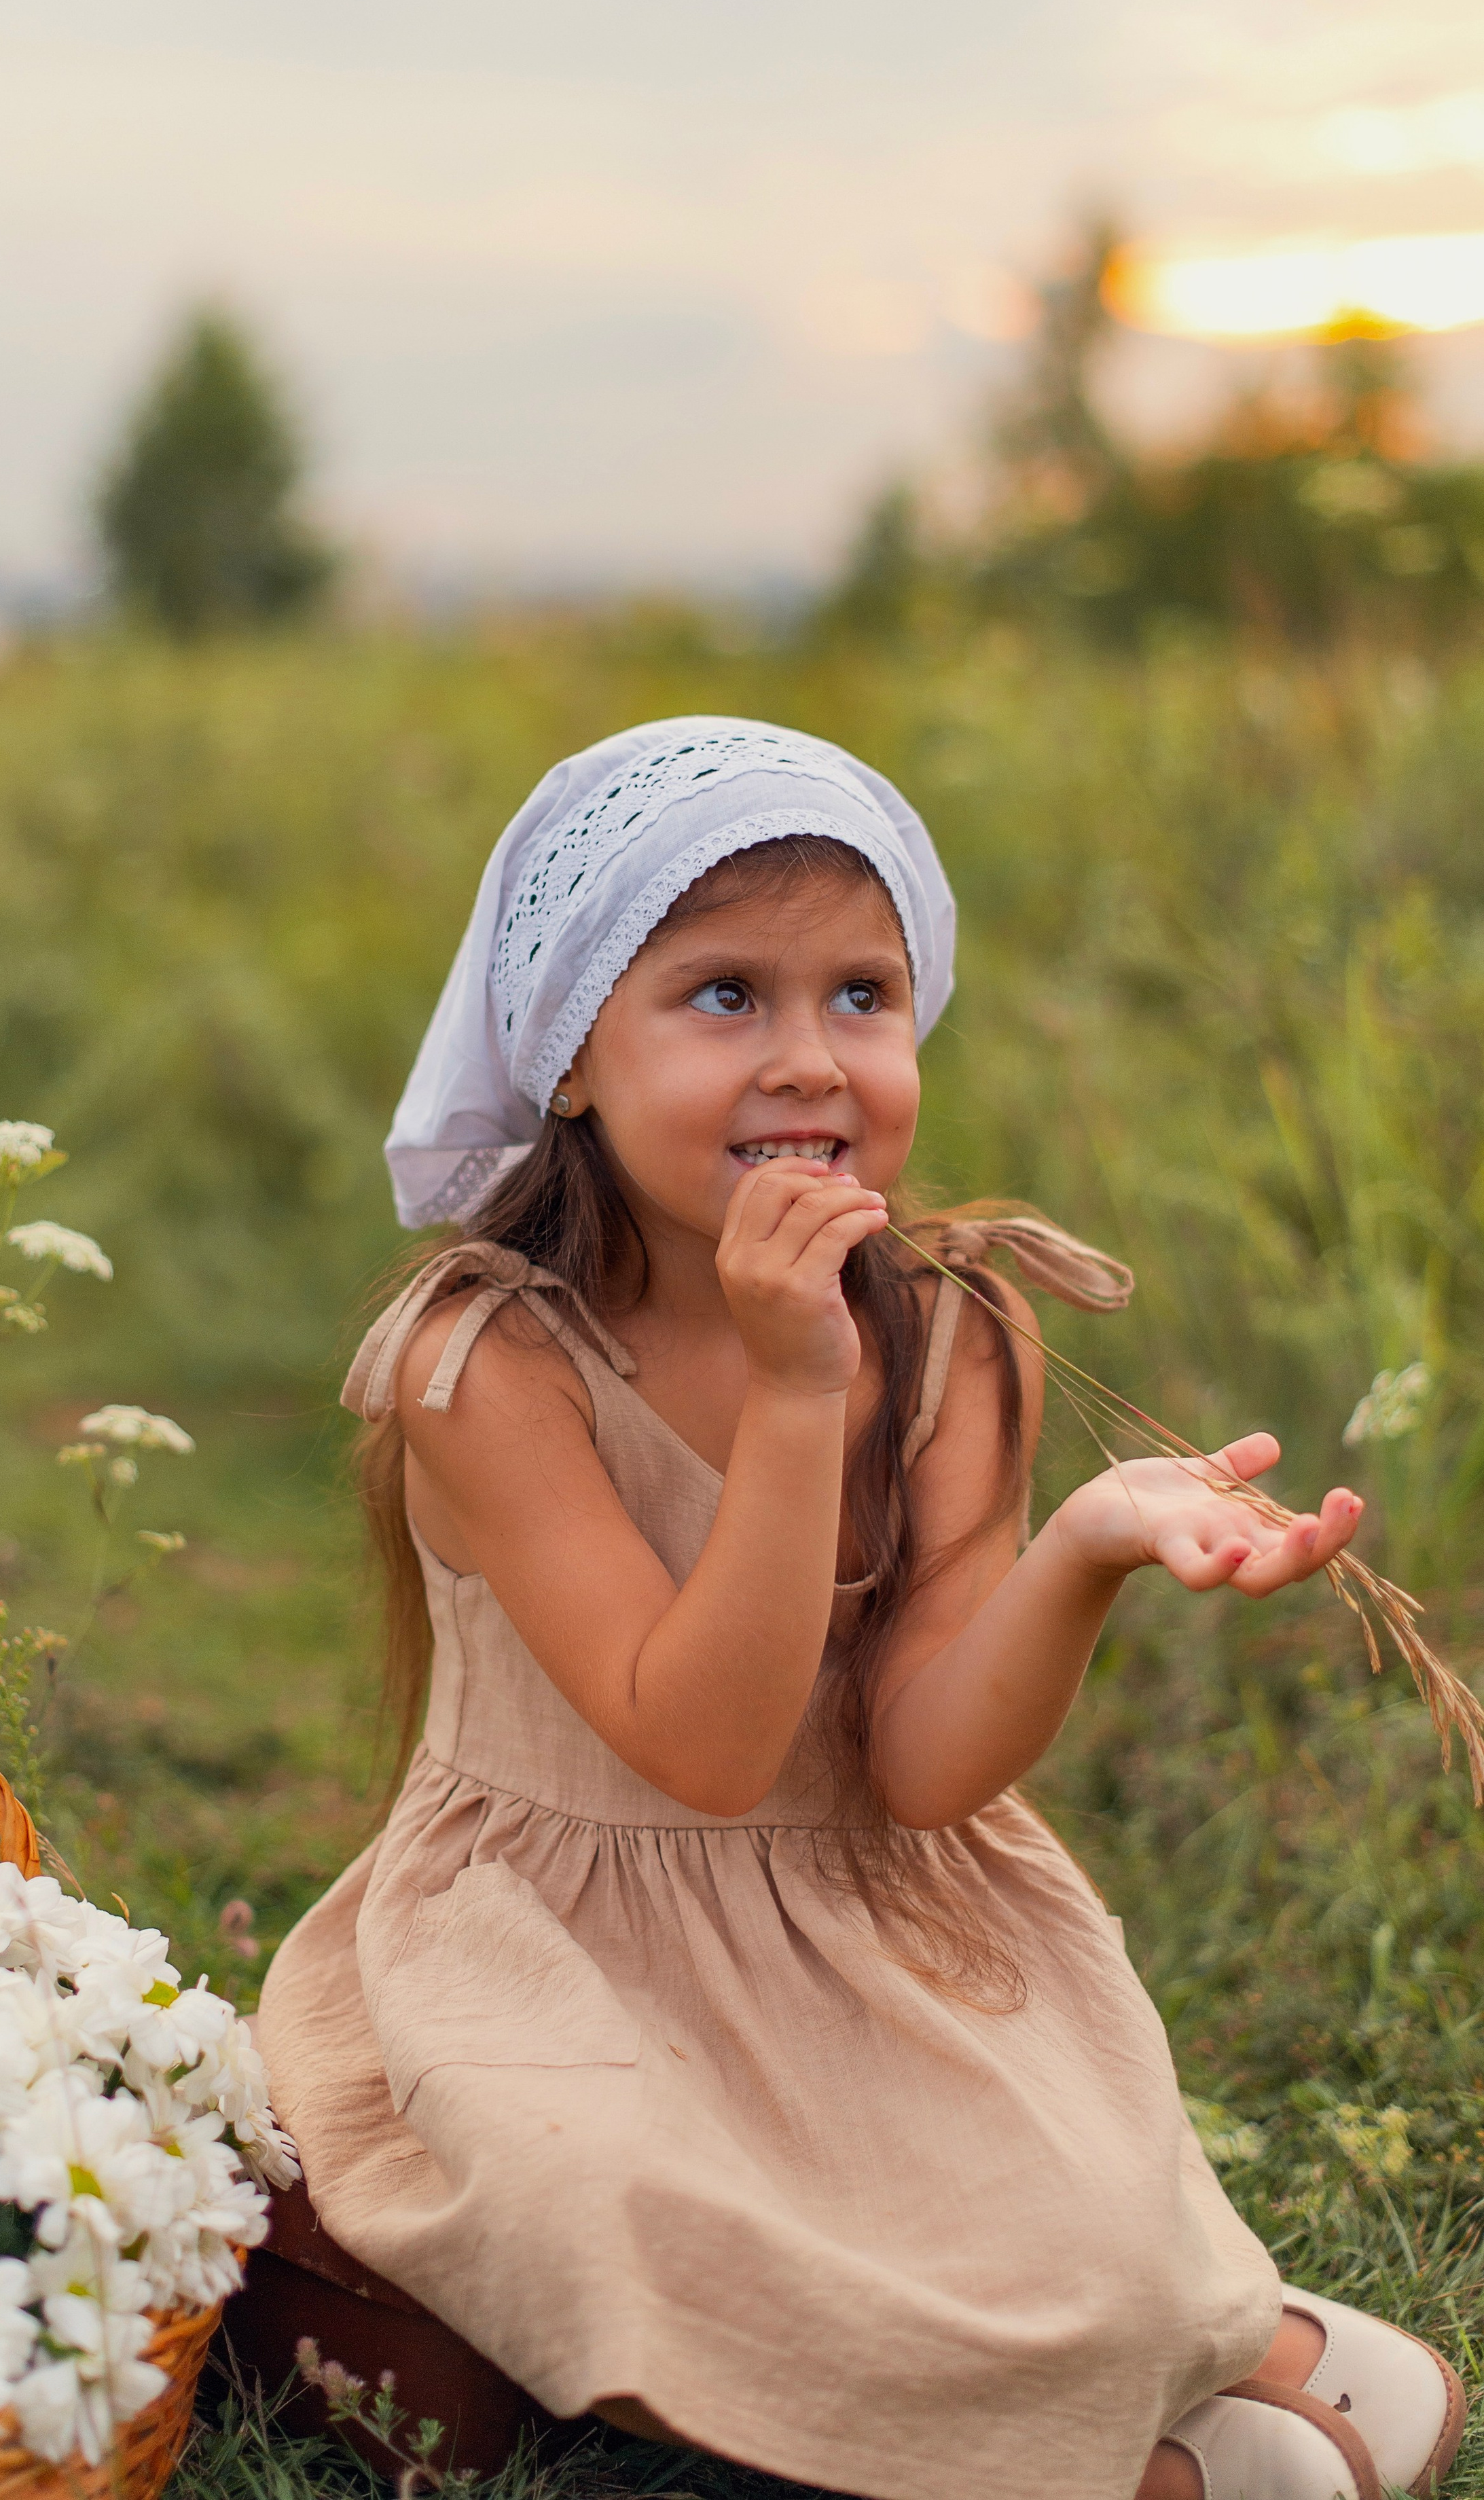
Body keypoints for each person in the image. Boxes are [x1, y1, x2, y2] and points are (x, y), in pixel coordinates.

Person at [257, 718, 1466, 2500]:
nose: (809, 1061)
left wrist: (1080, 1555)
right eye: (725, 998)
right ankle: (1162, 2448)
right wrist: (794, 1394)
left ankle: (1202, 2341)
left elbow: (915, 1768)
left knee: (1060, 2186)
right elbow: (708, 1746)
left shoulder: (955, 1332)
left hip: (865, 1929)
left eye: (864, 995)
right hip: (559, 1947)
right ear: (572, 1054)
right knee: (618, 2206)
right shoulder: (485, 1362)